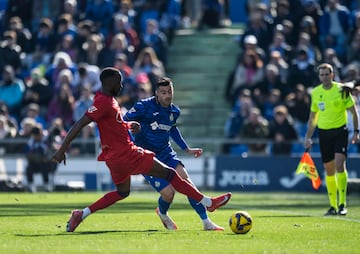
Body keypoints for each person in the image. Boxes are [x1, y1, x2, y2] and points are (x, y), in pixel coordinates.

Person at [52, 67, 231, 232]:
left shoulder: (109, 102)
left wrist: (129, 125)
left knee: (122, 192)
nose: (121, 85)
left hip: (114, 158)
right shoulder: (104, 102)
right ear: (109, 83)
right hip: (127, 153)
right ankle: (208, 202)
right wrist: (62, 149)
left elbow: (115, 124)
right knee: (170, 175)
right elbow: (80, 123)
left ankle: (81, 214)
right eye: (119, 81)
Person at [124, 77, 224, 231]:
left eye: (170, 91)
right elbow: (124, 122)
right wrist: (131, 138)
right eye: (163, 92)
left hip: (166, 152)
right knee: (169, 194)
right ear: (156, 93)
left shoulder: (174, 111)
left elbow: (172, 129)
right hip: (147, 156)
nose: (168, 95)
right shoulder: (143, 106)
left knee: (187, 182)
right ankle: (163, 213)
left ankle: (206, 222)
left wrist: (186, 149)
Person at [304, 63, 359, 216]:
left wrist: (356, 131)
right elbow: (313, 117)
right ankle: (332, 206)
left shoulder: (342, 90)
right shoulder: (316, 93)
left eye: (327, 74)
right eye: (322, 75)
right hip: (324, 134)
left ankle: (342, 204)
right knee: (329, 170)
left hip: (340, 131)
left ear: (332, 75)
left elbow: (354, 113)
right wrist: (308, 137)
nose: (324, 77)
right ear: (319, 77)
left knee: (340, 164)